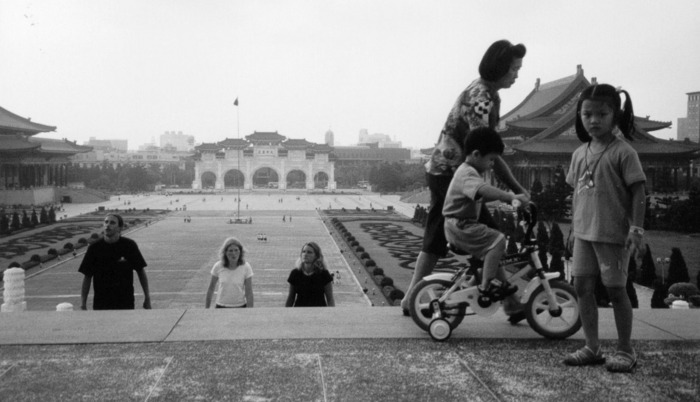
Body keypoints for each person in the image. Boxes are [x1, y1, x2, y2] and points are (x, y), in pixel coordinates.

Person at [401, 39, 530, 320]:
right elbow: (488, 154)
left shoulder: (487, 92)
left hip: (449, 172)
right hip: (452, 175)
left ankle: (509, 303)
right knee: (485, 235)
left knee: (442, 236)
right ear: (499, 68)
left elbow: (489, 154)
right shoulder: (481, 99)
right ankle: (510, 302)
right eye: (513, 69)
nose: (517, 75)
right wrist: (517, 190)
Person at [563, 84, 645, 373]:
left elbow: (638, 192)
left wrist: (636, 230)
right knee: (582, 287)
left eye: (602, 113)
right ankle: (592, 346)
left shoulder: (624, 152)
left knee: (615, 290)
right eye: (587, 114)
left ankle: (625, 349)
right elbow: (578, 194)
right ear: (580, 116)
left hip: (611, 234)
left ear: (615, 115)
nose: (594, 120)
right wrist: (573, 230)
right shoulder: (578, 153)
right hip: (584, 234)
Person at [443, 127, 529, 299]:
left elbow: (481, 196)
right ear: (476, 154)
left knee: (494, 252)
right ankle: (486, 286)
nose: (492, 165)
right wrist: (510, 198)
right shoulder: (467, 173)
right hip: (461, 225)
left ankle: (490, 284)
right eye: (491, 159)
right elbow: (483, 190)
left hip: (460, 224)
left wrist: (512, 202)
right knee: (498, 241)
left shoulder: (469, 171)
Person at [79, 214, 151, 310]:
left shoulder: (129, 246)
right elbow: (87, 276)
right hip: (101, 303)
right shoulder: (94, 248)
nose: (108, 225)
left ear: (120, 228)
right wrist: (83, 303)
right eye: (106, 222)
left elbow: (140, 271)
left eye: (112, 223)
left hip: (125, 302)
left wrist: (147, 297)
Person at [205, 237, 254, 308]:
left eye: (236, 250)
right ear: (225, 253)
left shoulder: (246, 267)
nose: (234, 253)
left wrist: (250, 312)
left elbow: (249, 292)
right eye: (230, 251)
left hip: (240, 306)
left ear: (240, 252)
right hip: (221, 307)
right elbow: (211, 288)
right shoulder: (218, 266)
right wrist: (206, 309)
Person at [286, 242, 335, 307]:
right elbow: (291, 298)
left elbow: (330, 299)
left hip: (320, 313)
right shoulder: (295, 273)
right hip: (299, 312)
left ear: (316, 256)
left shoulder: (324, 274)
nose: (305, 254)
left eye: (309, 252)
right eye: (303, 252)